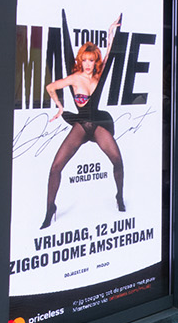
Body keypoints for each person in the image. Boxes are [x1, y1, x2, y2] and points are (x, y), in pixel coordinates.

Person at [41, 15, 127, 228]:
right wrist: (60, 107)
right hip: (80, 125)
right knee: (55, 167)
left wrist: (110, 33)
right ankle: (50, 208)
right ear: (80, 60)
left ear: (95, 61)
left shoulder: (98, 77)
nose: (88, 64)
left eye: (92, 60)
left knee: (117, 161)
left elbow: (110, 54)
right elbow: (50, 87)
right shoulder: (74, 78)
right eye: (85, 60)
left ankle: (119, 196)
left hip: (98, 124)